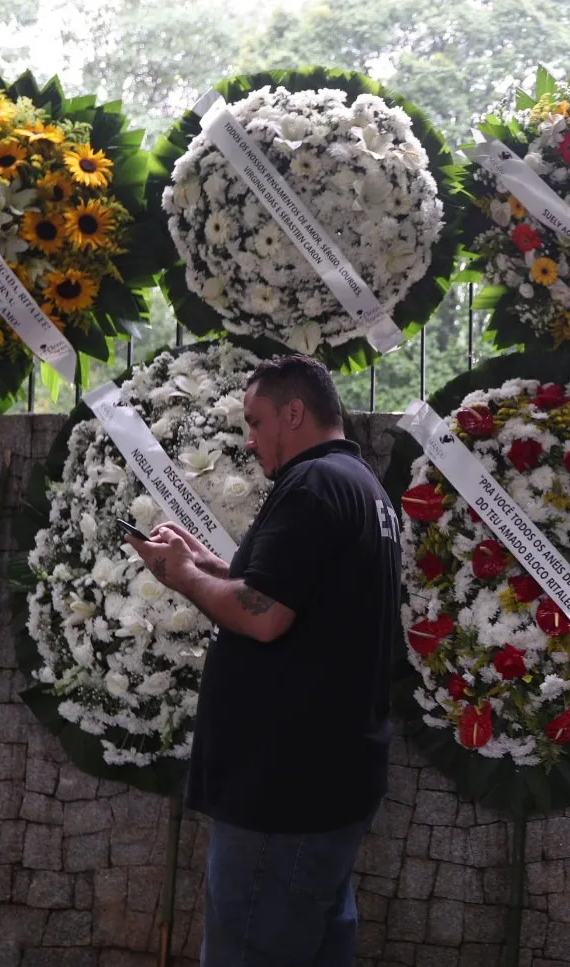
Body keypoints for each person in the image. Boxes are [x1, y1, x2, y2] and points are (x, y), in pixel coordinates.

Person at [127, 352, 399, 966]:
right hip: (328, 784)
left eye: (255, 422)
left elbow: (266, 614)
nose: (249, 440)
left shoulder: (312, 484)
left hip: (284, 793)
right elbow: (295, 592)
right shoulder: (360, 485)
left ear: (294, 412)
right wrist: (207, 565)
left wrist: (182, 581)